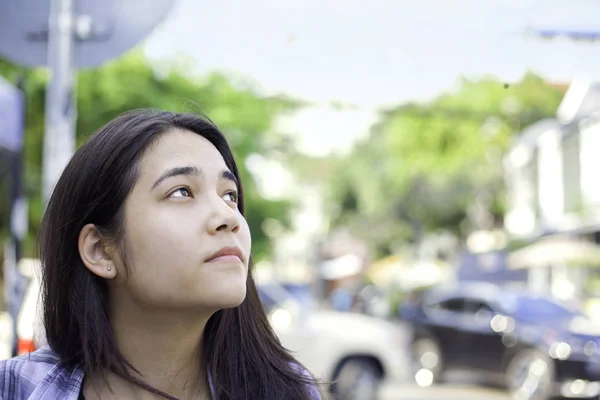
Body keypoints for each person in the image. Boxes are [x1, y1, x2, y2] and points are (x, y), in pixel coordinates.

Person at [0, 110, 324, 399]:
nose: (229, 217)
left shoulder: (290, 391)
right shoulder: (15, 388)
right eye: (181, 191)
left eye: (230, 195)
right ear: (100, 250)